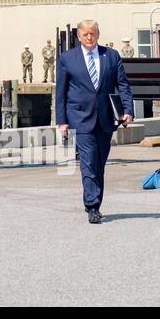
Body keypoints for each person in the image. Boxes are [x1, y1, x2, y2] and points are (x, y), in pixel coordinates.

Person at [56, 19, 133, 224]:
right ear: (79, 37)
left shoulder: (111, 55)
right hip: (80, 118)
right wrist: (61, 121)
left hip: (105, 118)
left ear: (98, 34)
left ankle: (91, 198)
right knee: (88, 162)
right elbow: (60, 92)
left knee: (99, 163)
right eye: (85, 35)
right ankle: (93, 205)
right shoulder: (67, 58)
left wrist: (128, 110)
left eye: (93, 34)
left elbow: (123, 85)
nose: (89, 38)